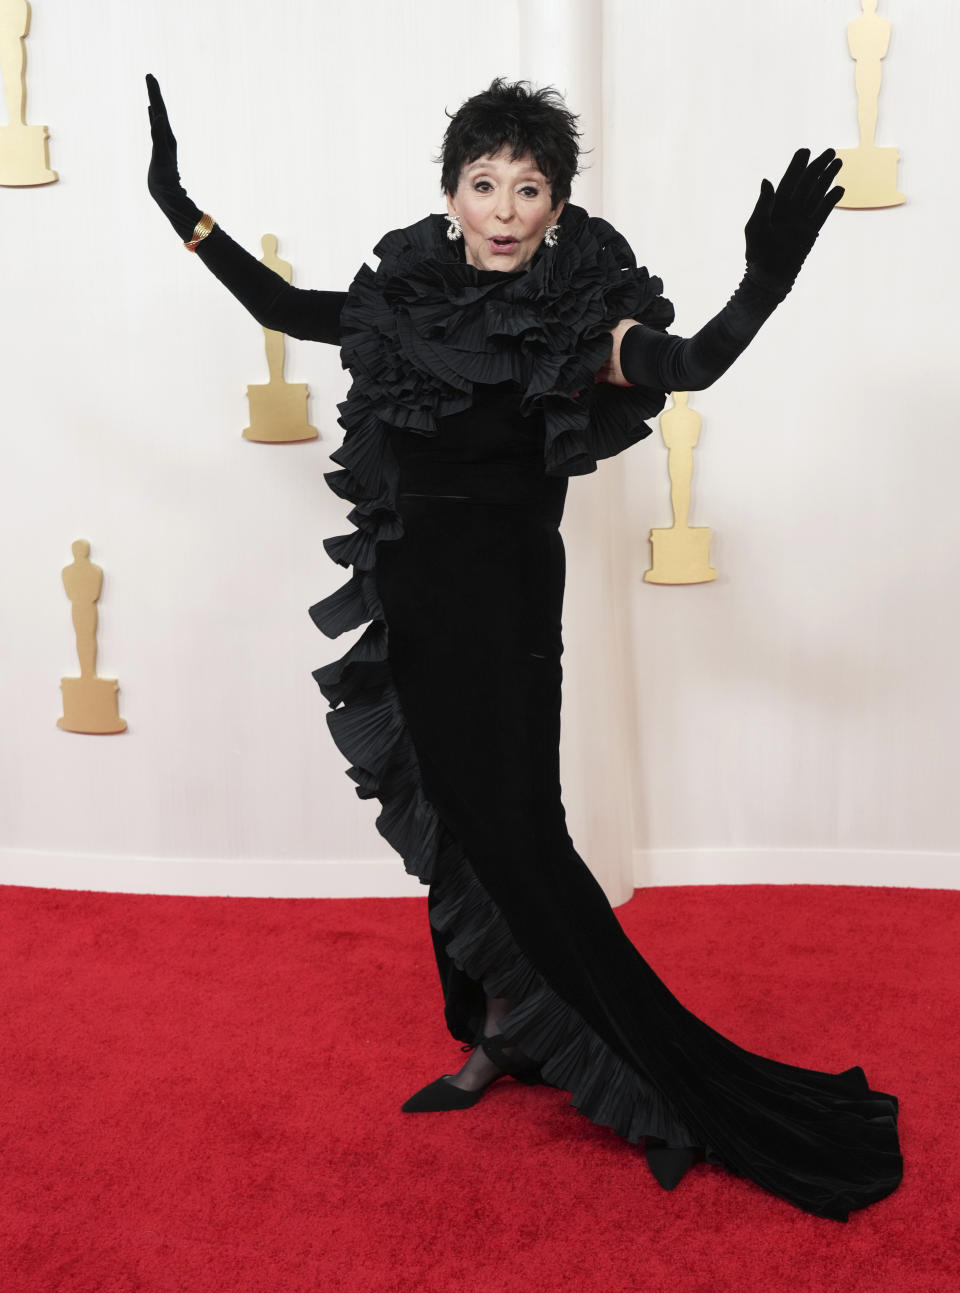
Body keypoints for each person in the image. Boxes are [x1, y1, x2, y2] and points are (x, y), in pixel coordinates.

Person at [145, 74, 902, 1220]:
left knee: (520, 836)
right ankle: (496, 1032)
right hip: (410, 596)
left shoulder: (573, 319)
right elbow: (296, 307)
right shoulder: (407, 297)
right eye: (485, 183)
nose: (504, 208)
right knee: (451, 825)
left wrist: (770, 276)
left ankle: (659, 1076)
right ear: (451, 192)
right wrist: (180, 208)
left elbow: (685, 365)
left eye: (530, 188)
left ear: (557, 204)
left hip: (502, 612)